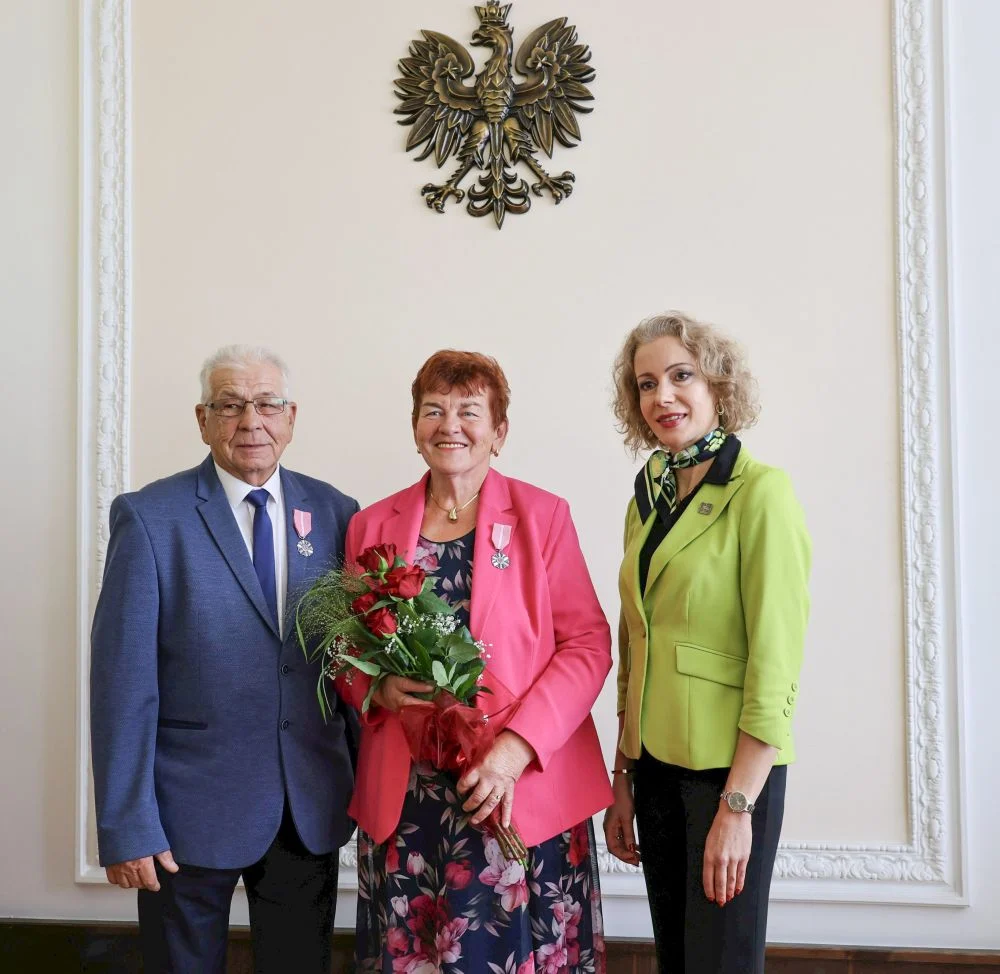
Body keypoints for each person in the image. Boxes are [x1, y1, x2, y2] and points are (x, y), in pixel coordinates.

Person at [90, 345, 360, 974]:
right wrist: (127, 824)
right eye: (230, 405)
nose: (250, 421)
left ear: (291, 417)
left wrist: (365, 785)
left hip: (307, 805)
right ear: (202, 419)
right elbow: (122, 685)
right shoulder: (150, 518)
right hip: (186, 813)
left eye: (267, 404)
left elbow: (350, 668)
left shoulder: (336, 513)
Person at [343, 350, 612, 973]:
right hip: (409, 801)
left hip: (521, 793)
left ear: (499, 430)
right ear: (415, 426)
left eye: (469, 410)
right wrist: (377, 689)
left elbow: (588, 644)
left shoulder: (543, 516)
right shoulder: (370, 525)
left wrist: (514, 752)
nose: (450, 425)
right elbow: (345, 650)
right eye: (433, 410)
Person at [603, 313, 811, 974]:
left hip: (730, 776)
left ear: (718, 385)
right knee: (677, 961)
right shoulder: (647, 499)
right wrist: (623, 776)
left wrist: (738, 807)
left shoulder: (762, 493)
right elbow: (635, 645)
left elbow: (775, 664)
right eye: (646, 384)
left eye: (680, 376)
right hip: (655, 771)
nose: (662, 396)